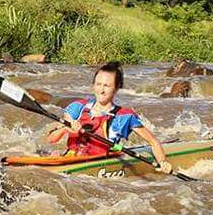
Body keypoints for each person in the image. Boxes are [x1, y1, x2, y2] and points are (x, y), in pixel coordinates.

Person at [45, 61, 174, 173]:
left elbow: (153, 142)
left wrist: (163, 162)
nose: (101, 90)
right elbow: (51, 140)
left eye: (106, 86)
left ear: (117, 88)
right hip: (71, 159)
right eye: (98, 84)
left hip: (102, 164)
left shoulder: (125, 116)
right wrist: (66, 129)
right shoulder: (77, 108)